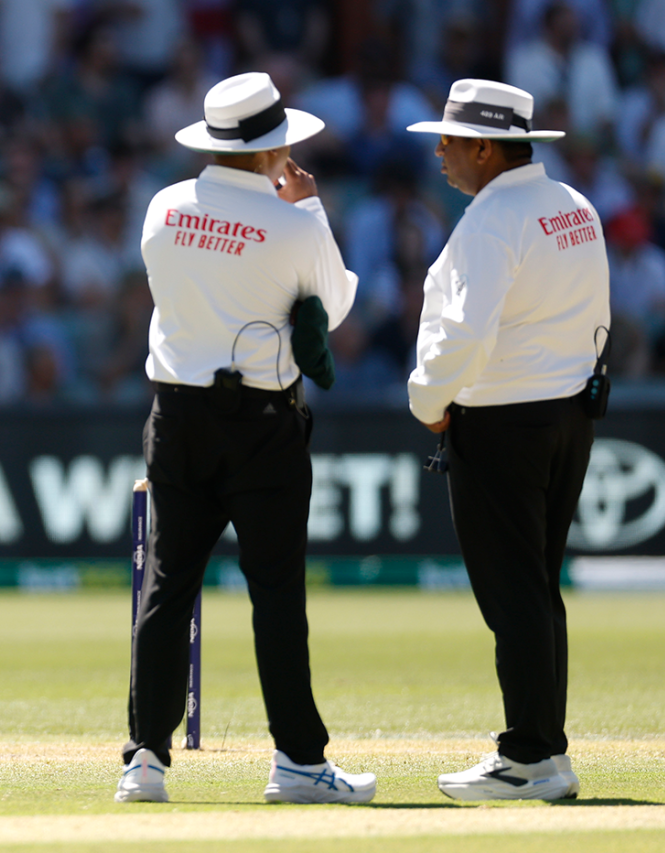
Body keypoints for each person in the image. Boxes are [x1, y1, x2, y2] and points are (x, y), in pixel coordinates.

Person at [117, 72, 373, 805]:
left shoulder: (165, 207)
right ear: (271, 149)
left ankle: (144, 760)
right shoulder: (295, 225)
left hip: (177, 413)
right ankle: (298, 761)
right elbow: (337, 302)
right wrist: (310, 207)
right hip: (261, 421)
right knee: (277, 593)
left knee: (168, 586)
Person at [404, 79, 609, 800]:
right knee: (538, 587)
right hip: (568, 413)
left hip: (501, 420)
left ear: (486, 149)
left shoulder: (493, 220)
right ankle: (546, 753)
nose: (440, 153)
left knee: (514, 592)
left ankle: (527, 759)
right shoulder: (573, 204)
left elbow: (465, 332)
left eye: (451, 141)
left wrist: (427, 400)